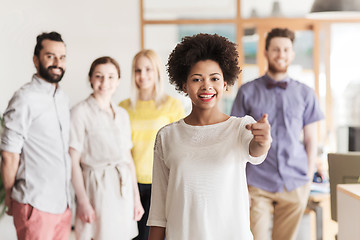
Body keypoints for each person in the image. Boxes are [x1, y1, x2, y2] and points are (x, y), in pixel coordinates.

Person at [147, 33, 272, 240]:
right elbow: (159, 212)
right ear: (184, 85)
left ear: (225, 84)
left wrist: (264, 140)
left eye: (214, 78)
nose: (206, 86)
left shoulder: (241, 128)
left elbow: (256, 150)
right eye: (197, 79)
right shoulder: (167, 136)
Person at [231, 28, 324, 240]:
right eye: (275, 49)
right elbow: (235, 141)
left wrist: (308, 179)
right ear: (265, 52)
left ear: (292, 54)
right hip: (257, 183)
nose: (280, 54)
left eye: (285, 50)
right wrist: (242, 185)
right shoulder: (247, 91)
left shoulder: (305, 93)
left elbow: (311, 139)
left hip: (295, 182)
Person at [0, 31, 72, 240]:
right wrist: (11, 197)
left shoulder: (62, 99)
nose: (57, 62)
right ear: (35, 59)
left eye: (62, 57)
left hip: (62, 205)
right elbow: (9, 154)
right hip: (34, 203)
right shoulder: (24, 98)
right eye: (50, 56)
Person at [70, 56, 144, 240]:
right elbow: (72, 161)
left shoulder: (122, 114)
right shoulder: (80, 112)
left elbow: (128, 158)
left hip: (123, 188)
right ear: (90, 79)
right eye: (99, 76)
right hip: (95, 189)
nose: (105, 82)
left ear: (118, 80)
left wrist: (136, 198)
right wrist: (83, 202)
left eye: (111, 77)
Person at [119, 49, 185, 240]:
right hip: (130, 184)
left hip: (161, 183)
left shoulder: (172, 106)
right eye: (138, 70)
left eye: (148, 69)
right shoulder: (123, 107)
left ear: (157, 72)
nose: (143, 75)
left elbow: (179, 148)